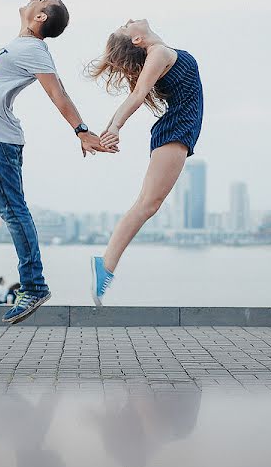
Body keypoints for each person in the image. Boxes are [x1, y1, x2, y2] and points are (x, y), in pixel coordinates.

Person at [0, 0, 116, 324]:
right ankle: (33, 284)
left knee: (14, 211)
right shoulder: (22, 45)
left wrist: (81, 130)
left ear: (40, 16)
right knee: (11, 210)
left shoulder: (34, 50)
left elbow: (58, 93)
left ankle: (33, 286)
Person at [87, 19, 203, 305]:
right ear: (137, 40)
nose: (127, 22)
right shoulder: (159, 53)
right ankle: (106, 266)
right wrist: (115, 128)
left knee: (147, 203)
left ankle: (106, 265)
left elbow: (133, 95)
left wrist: (112, 127)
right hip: (177, 128)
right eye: (125, 28)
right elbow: (137, 96)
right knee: (147, 204)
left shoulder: (160, 53)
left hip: (179, 129)